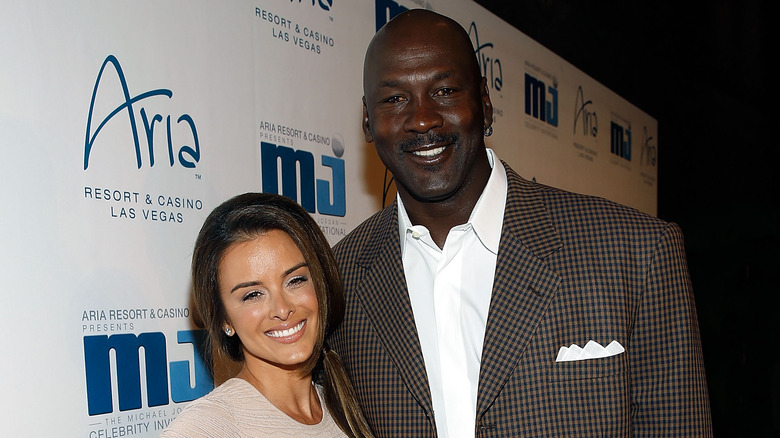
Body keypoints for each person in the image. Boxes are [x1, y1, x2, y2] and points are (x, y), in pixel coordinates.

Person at [328, 9, 712, 437]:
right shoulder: (339, 280)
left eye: (446, 90)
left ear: (485, 104)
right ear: (367, 121)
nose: (422, 119)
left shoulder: (635, 252)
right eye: (394, 98)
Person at [161, 193, 373, 438]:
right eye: (252, 295)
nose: (282, 309)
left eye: (295, 280)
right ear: (224, 320)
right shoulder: (209, 427)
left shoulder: (351, 406)